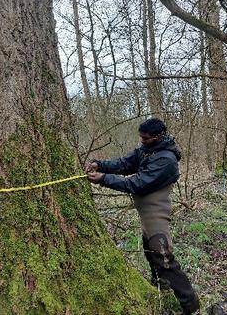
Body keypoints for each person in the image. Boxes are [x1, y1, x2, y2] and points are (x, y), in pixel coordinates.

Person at [85, 118, 200, 314]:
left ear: (158, 137)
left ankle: (191, 306)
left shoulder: (166, 160)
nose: (142, 141)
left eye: (145, 139)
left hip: (156, 209)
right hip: (145, 211)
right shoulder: (147, 150)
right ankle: (160, 284)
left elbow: (137, 183)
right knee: (148, 246)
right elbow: (125, 163)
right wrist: (100, 165)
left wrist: (104, 179)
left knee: (162, 253)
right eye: (141, 138)